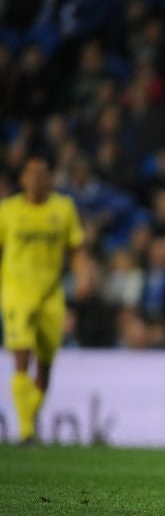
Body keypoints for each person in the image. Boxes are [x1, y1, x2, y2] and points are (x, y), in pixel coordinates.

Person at [1, 155, 88, 444]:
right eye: (31, 173)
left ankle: (30, 417)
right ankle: (26, 430)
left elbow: (75, 248)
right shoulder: (8, 211)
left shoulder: (63, 209)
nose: (36, 178)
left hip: (51, 294)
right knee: (22, 354)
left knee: (46, 366)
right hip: (16, 293)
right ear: (23, 179)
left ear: (50, 178)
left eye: (42, 173)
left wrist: (83, 275)